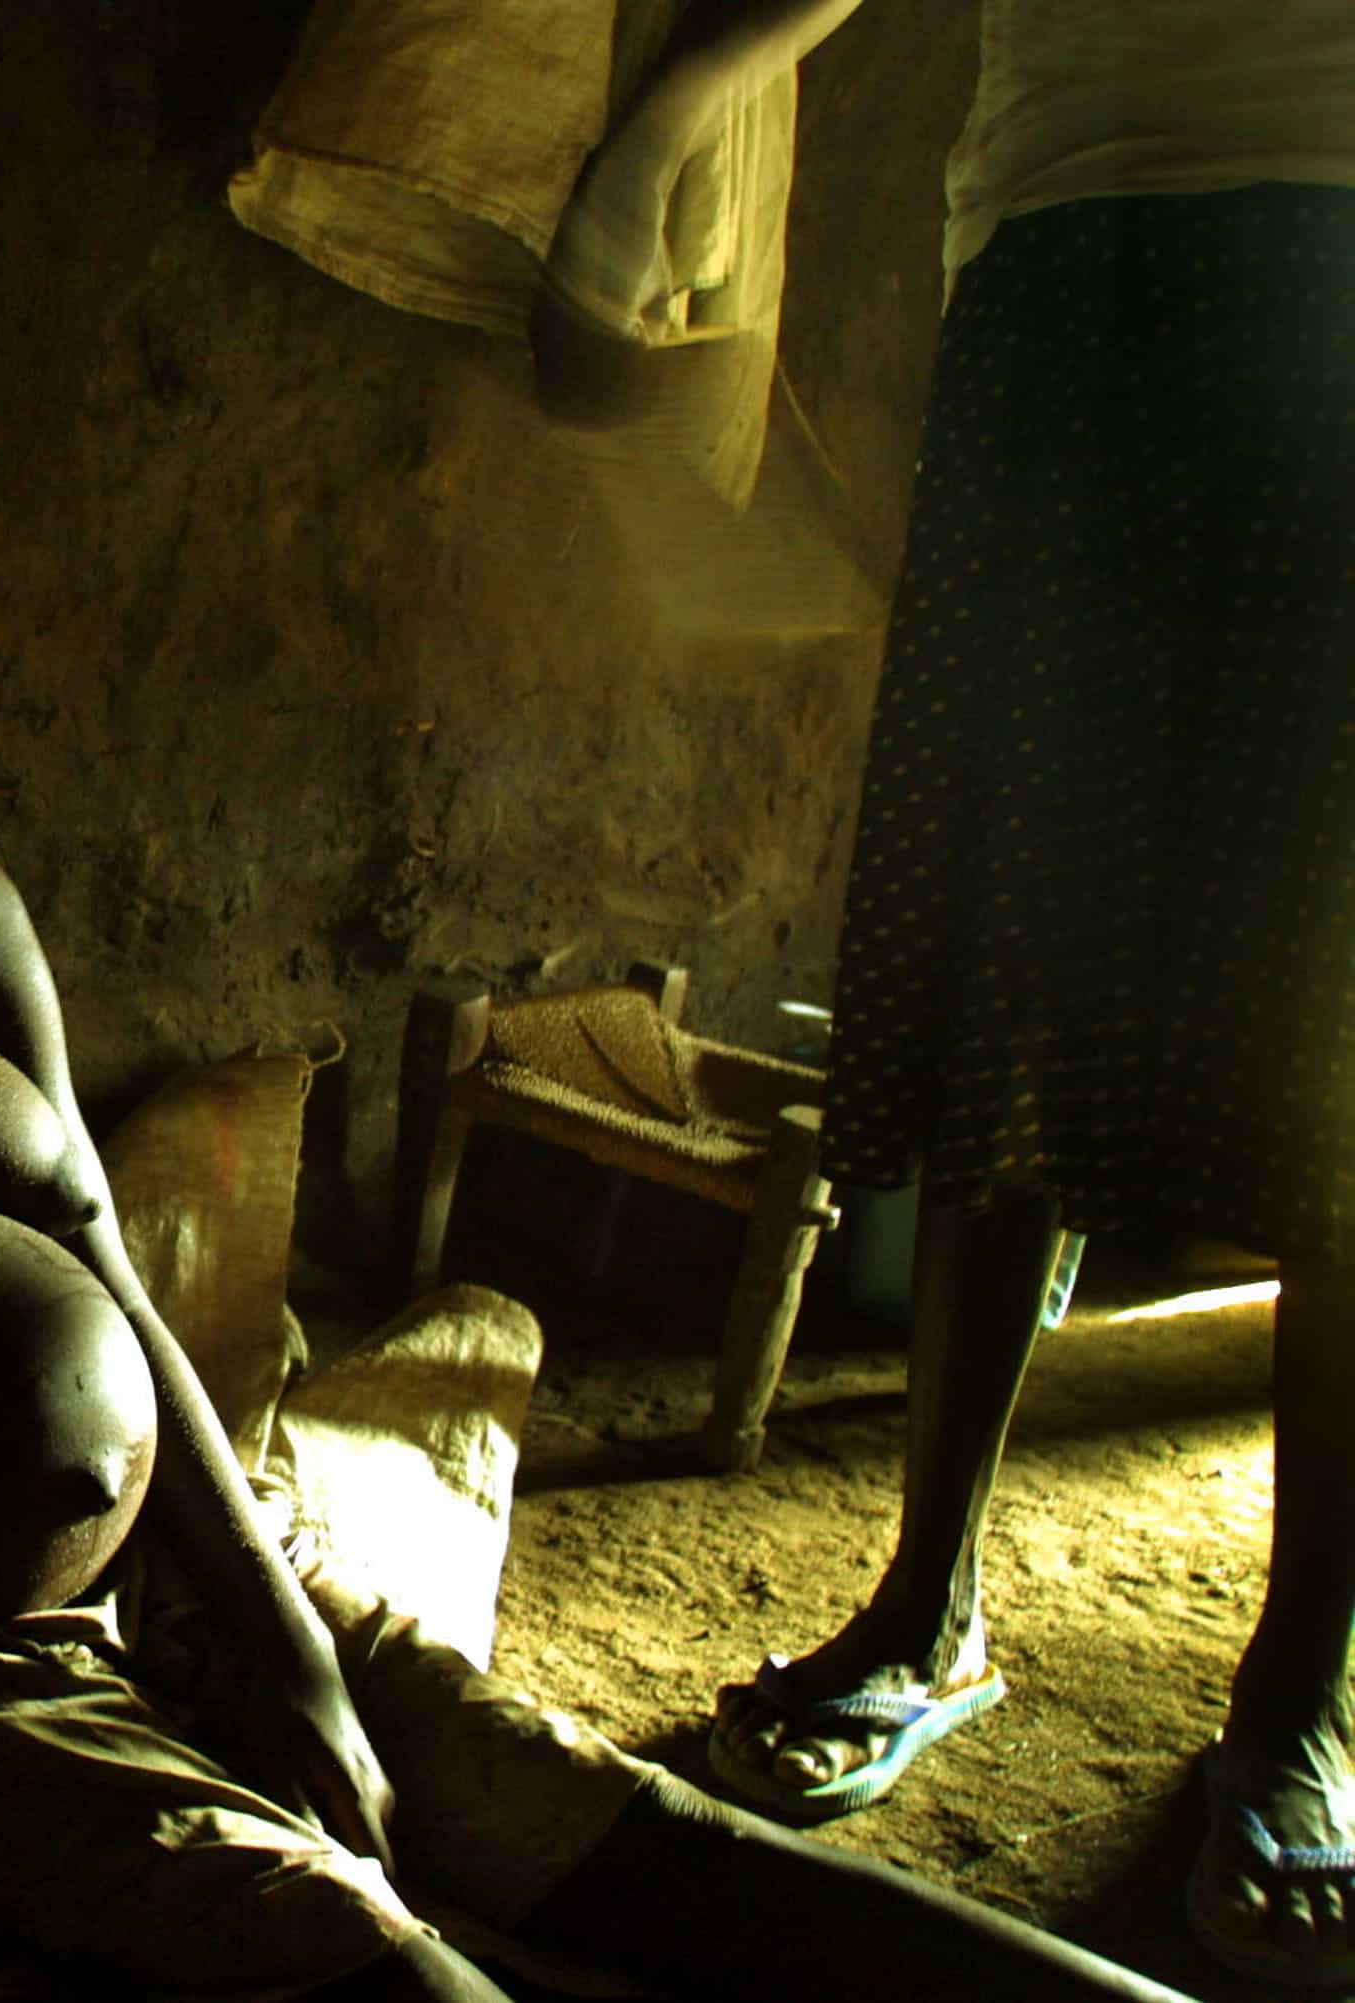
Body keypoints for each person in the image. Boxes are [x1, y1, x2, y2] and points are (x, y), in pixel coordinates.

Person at [0, 375, 1190, 2002]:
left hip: (158, 1580)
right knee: (386, 1963)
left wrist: (283, 1631)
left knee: (639, 1841)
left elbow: (111, 1275)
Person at [550, 2, 1355, 1989]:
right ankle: (930, 1597)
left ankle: (1304, 1694)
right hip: (1065, 242)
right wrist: (667, 121)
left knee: (1344, 1005)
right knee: (1015, 940)